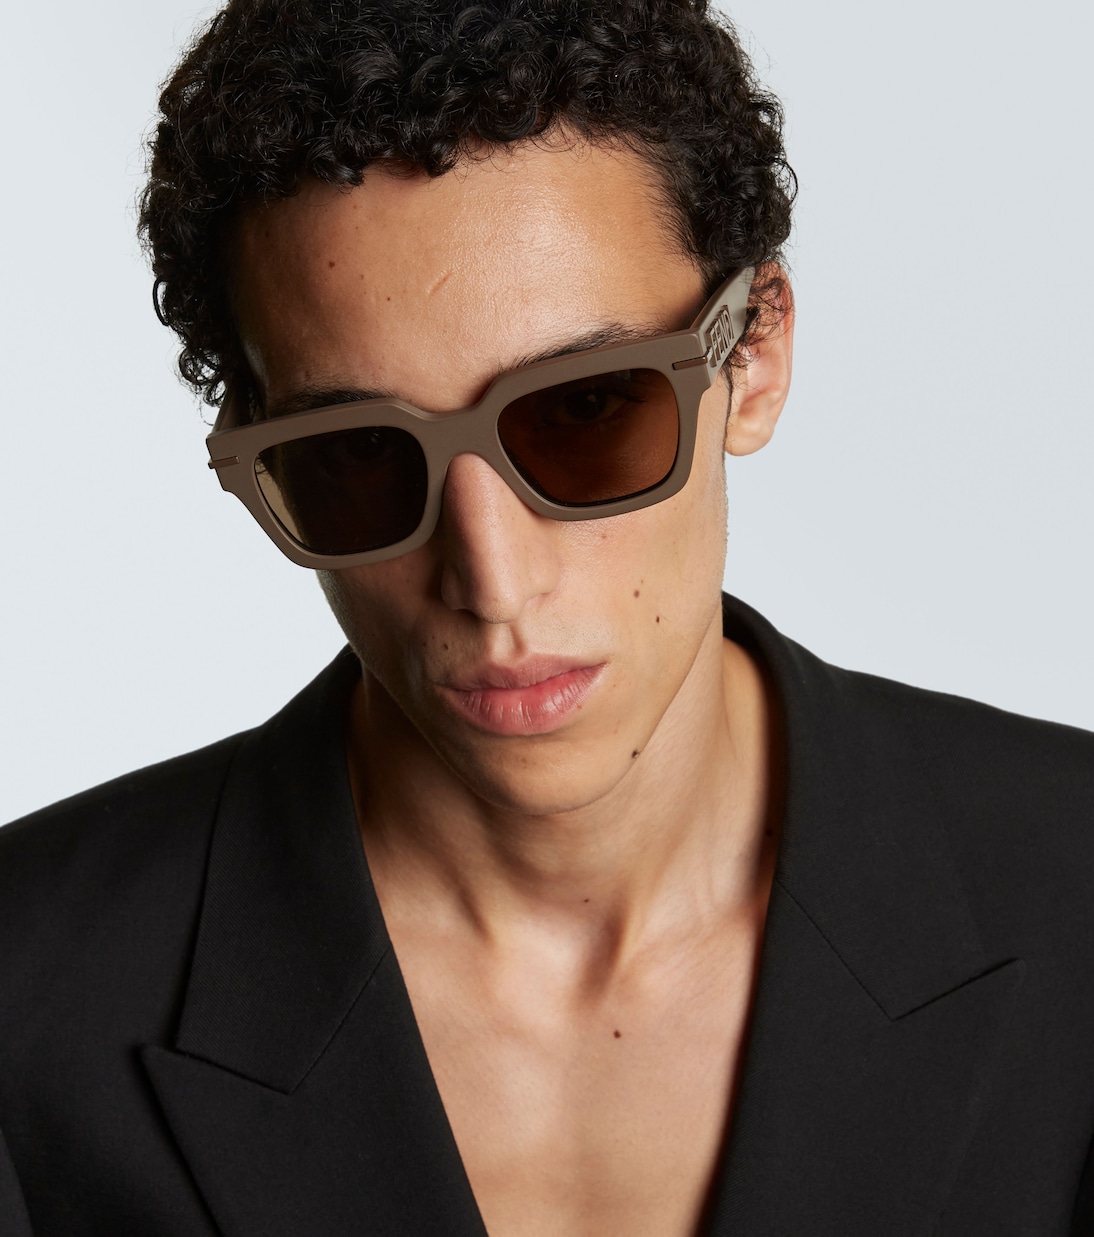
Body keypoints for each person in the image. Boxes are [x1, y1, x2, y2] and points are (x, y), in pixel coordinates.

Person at [1, 1, 1092, 1233]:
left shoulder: (1073, 890)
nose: (492, 578)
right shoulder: (28, 999)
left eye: (585, 408)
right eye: (358, 453)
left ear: (753, 354)